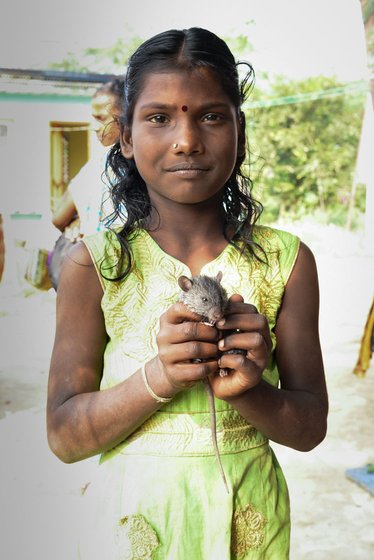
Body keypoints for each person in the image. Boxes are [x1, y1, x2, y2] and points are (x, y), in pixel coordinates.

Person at [47, 27, 328, 559]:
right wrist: (157, 377)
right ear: (125, 137)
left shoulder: (286, 262)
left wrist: (250, 389)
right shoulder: (96, 264)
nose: (186, 139)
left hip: (248, 524)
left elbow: (310, 427)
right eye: (158, 118)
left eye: (211, 116)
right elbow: (64, 437)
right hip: (134, 529)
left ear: (239, 131)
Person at [51, 76, 125, 237]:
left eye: (101, 118)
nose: (95, 128)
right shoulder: (99, 164)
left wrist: (77, 221)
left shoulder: (101, 163)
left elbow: (59, 218)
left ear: (126, 116)